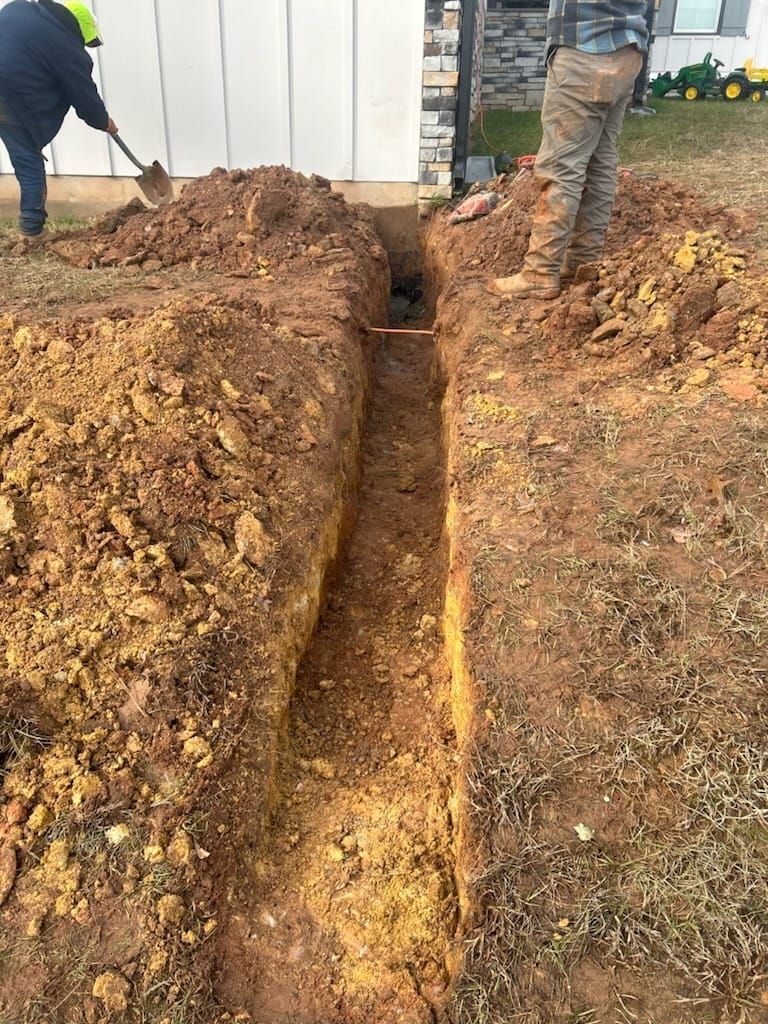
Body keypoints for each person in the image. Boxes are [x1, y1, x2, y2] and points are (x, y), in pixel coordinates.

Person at [490, 1, 649, 300]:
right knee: (600, 161)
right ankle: (582, 262)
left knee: (561, 165)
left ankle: (539, 273)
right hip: (627, 51)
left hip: (585, 47)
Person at [0, 0, 118, 241]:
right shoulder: (66, 47)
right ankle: (32, 230)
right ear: (78, 29)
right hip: (10, 101)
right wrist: (104, 121)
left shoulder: (15, 9)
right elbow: (84, 96)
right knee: (28, 159)